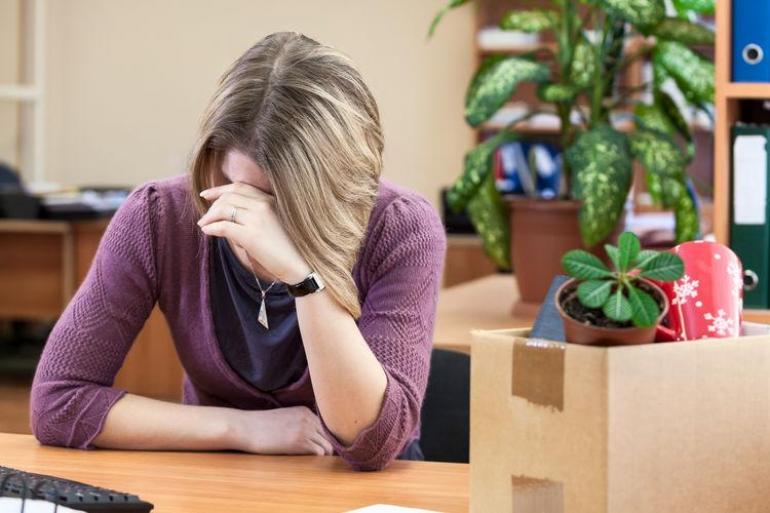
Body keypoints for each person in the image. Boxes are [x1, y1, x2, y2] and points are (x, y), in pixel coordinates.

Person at [29, 32, 446, 471]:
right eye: (236, 185)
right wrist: (243, 429)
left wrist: (304, 278)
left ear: (337, 187)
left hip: (364, 491)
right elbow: (58, 402)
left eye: (281, 201)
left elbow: (371, 444)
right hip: (218, 474)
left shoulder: (401, 226)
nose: (252, 214)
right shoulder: (159, 216)